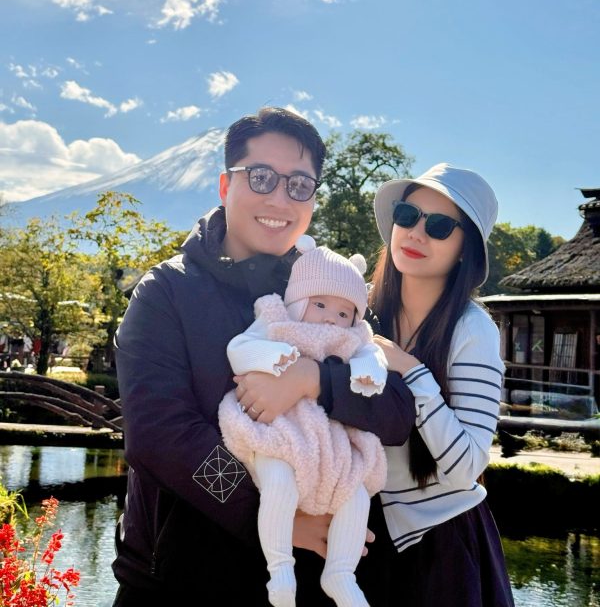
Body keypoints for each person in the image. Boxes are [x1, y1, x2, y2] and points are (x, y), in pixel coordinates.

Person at [111, 106, 416, 606]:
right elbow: (159, 435)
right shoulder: (167, 292)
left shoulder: (325, 288)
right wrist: (271, 514)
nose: (280, 198)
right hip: (179, 580)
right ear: (225, 185)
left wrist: (315, 380)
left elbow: (396, 412)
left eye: (299, 184)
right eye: (260, 177)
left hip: (305, 585)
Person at [355, 162, 515, 607]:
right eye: (407, 216)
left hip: (442, 547)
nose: (416, 233)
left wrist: (411, 371)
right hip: (357, 532)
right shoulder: (356, 309)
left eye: (440, 226)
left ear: (466, 249)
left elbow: (468, 466)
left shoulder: (472, 329)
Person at [219, 237, 388, 607]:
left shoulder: (354, 338)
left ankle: (341, 573)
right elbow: (239, 349)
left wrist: (368, 372)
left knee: (356, 494)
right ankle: (280, 569)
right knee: (279, 482)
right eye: (320, 304)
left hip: (328, 441)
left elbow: (373, 355)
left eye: (343, 313)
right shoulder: (276, 319)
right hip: (277, 428)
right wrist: (273, 357)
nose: (330, 318)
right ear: (297, 300)